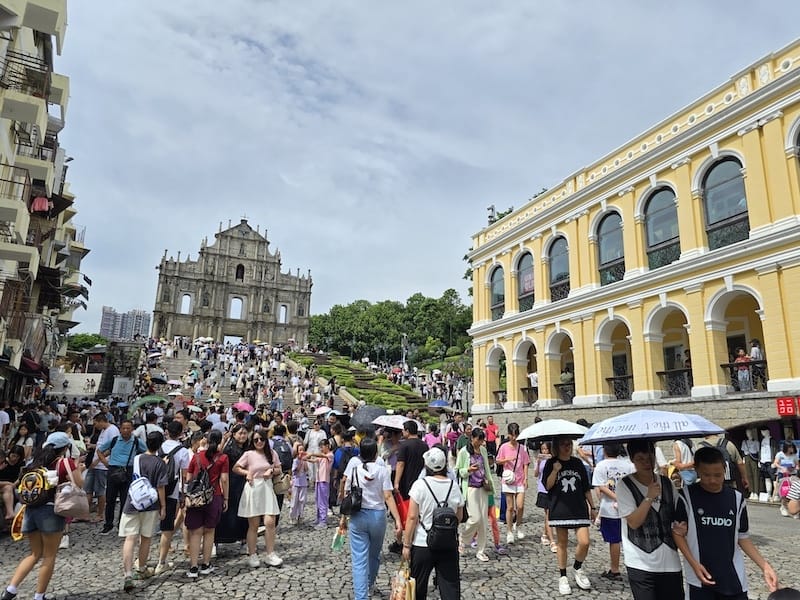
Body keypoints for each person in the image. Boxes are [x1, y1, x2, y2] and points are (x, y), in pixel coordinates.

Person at [673, 445, 779, 599]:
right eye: (706, 475)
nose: (712, 480)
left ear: (725, 469)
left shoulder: (736, 498)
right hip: (700, 579)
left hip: (733, 578)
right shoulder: (686, 497)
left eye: (718, 475)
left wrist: (765, 566)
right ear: (697, 470)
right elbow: (677, 534)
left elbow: (743, 537)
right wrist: (694, 564)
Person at [1, 432, 83, 600]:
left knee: (34, 554)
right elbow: (79, 483)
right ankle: (39, 596)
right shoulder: (64, 463)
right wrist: (79, 469)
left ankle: (10, 590)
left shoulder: (34, 463)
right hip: (51, 512)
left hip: (31, 510)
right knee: (49, 555)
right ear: (65, 448)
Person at [616, 438, 685, 600]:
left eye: (649, 457)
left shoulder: (667, 484)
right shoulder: (624, 485)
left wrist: (681, 525)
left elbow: (678, 513)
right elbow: (633, 522)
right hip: (640, 561)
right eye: (640, 459)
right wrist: (649, 497)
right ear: (632, 459)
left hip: (670, 561)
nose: (646, 463)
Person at [342, 437, 402, 600]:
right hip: (378, 516)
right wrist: (397, 520)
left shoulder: (355, 470)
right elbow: (388, 496)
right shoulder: (382, 471)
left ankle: (361, 596)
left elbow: (347, 495)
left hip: (358, 516)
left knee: (359, 559)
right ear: (376, 454)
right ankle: (370, 584)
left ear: (360, 453)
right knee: (374, 555)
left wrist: (343, 518)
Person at [402, 446, 464, 600]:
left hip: (422, 542)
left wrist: (406, 545)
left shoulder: (420, 485)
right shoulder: (454, 486)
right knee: (450, 588)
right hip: (448, 543)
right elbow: (459, 516)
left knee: (418, 588)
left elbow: (412, 517)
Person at [543, 436, 595, 595]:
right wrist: (555, 470)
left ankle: (577, 567)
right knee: (562, 543)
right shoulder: (551, 463)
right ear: (557, 446)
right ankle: (563, 576)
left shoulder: (578, 463)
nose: (567, 447)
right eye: (563, 444)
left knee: (584, 542)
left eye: (569, 444)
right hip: (560, 508)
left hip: (579, 507)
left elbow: (586, 487)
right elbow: (547, 485)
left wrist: (593, 507)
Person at [119, 431, 168, 592]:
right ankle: (141, 568)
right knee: (145, 538)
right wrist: (163, 506)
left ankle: (127, 574)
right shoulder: (160, 463)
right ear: (160, 445)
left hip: (133, 502)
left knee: (130, 538)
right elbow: (160, 487)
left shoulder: (137, 458)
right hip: (150, 504)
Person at [232, 430, 282, 568]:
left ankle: (270, 553)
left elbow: (279, 468)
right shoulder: (249, 454)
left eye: (261, 439)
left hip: (267, 487)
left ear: (266, 440)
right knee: (253, 525)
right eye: (256, 440)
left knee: (270, 522)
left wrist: (271, 471)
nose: (259, 442)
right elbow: (236, 468)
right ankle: (252, 554)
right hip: (253, 487)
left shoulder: (271, 453)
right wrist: (247, 472)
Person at [185, 430, 230, 577]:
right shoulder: (223, 458)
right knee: (209, 531)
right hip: (214, 496)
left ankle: (193, 567)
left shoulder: (197, 457)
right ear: (220, 441)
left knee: (195, 532)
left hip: (196, 498)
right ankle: (205, 564)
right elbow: (224, 479)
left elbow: (189, 478)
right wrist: (226, 498)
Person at [591, 443, 633, 581]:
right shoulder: (628, 465)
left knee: (614, 540)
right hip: (628, 507)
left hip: (609, 509)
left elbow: (601, 488)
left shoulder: (601, 466)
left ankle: (615, 569)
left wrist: (616, 497)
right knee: (629, 539)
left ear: (604, 450)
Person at [98, 419, 145, 535]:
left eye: (128, 428)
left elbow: (146, 452)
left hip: (128, 471)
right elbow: (100, 450)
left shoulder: (136, 441)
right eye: (123, 428)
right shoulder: (114, 440)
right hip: (113, 470)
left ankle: (122, 524)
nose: (126, 430)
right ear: (120, 429)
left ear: (132, 429)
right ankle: (108, 524)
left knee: (125, 499)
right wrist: (105, 462)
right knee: (110, 499)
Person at [455, 427, 494, 563]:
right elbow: (458, 470)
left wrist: (489, 481)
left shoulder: (483, 450)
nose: (480, 443)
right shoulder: (464, 452)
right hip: (470, 487)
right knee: (474, 518)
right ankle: (463, 538)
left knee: (483, 521)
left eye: (482, 440)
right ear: (472, 438)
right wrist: (468, 470)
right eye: (478, 440)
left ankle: (481, 550)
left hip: (483, 487)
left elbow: (487, 468)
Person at [391, 420, 427, 553]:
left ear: (407, 431)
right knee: (419, 512)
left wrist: (396, 482)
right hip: (421, 482)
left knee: (405, 512)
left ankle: (403, 541)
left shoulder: (404, 445)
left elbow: (400, 464)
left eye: (403, 430)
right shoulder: (424, 445)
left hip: (406, 483)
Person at [213, 424, 250, 549]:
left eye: (244, 433)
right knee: (228, 511)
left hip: (245, 482)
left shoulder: (248, 449)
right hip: (231, 482)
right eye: (240, 433)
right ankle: (220, 539)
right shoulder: (229, 449)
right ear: (234, 435)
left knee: (244, 511)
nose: (243, 436)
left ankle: (243, 538)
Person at [496, 422, 530, 544]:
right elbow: (498, 460)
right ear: (508, 434)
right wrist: (507, 460)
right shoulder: (504, 447)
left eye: (516, 435)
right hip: (508, 480)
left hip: (520, 479)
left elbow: (525, 463)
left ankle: (518, 525)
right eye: (512, 435)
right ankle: (509, 531)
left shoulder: (522, 448)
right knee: (510, 507)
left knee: (520, 506)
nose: (514, 438)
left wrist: (526, 478)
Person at [307, 438, 333, 528]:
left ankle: (323, 521)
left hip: (324, 480)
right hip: (318, 480)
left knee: (323, 501)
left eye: (322, 447)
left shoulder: (330, 455)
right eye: (320, 447)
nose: (321, 449)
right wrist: (305, 458)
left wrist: (312, 453)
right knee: (318, 500)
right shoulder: (321, 456)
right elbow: (314, 460)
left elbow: (322, 456)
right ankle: (318, 518)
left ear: (327, 446)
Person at [772, 442, 798, 518]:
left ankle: (792, 509)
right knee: (784, 491)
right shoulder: (780, 454)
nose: (791, 449)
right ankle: (783, 506)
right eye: (790, 447)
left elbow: (797, 465)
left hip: (792, 474)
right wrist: (781, 467)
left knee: (792, 492)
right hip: (782, 474)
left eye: (792, 447)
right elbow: (775, 463)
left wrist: (794, 467)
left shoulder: (794, 455)